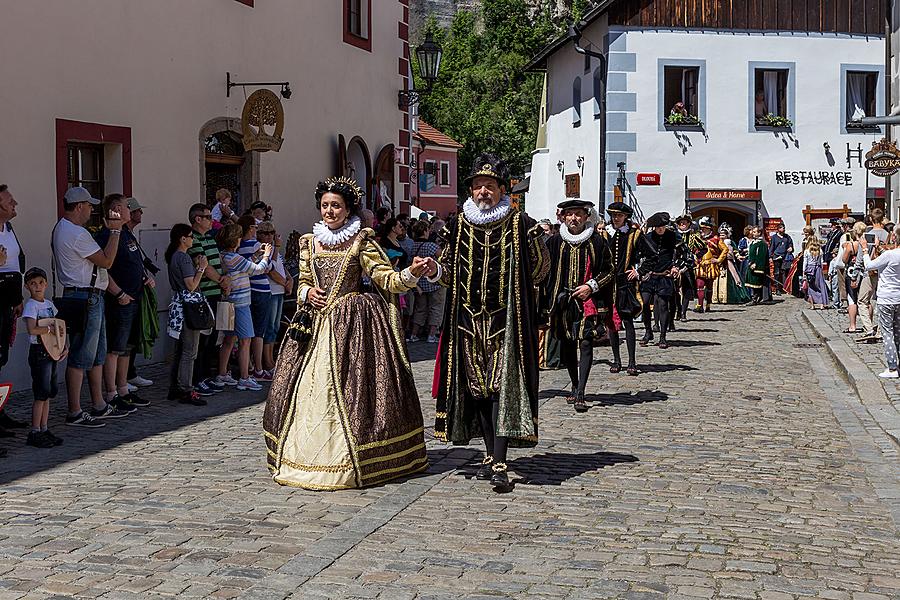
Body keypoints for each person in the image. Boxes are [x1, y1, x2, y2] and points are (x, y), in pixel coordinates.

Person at [263, 176, 430, 489]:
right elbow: (301, 282)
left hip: (351, 326)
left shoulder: (361, 241)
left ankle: (349, 460)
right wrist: (306, 294)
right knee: (304, 392)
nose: (329, 211)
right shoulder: (309, 243)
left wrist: (411, 273)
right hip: (314, 328)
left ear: (348, 208)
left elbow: (388, 280)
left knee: (352, 393)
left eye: (335, 206)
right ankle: (302, 457)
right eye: (325, 205)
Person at [429, 154, 549, 490]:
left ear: (502, 190)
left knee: (498, 389)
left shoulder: (519, 223)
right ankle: (488, 454)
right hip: (466, 322)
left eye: (490, 186)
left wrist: (536, 243)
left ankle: (499, 460)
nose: (484, 192)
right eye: (478, 186)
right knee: (478, 391)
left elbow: (541, 269)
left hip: (504, 325)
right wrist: (432, 270)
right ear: (470, 190)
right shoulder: (458, 225)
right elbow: (446, 273)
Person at [53, 187, 132, 427]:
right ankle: (75, 410)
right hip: (85, 297)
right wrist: (115, 232)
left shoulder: (62, 229)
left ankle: (98, 404)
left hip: (85, 295)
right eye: (88, 205)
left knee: (96, 355)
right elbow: (107, 260)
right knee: (81, 356)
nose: (91, 210)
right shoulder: (76, 233)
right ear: (78, 206)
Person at [540, 199, 613, 412]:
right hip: (562, 302)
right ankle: (574, 384)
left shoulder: (597, 242)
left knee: (587, 342)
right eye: (570, 214)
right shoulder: (554, 242)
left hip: (588, 302)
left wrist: (591, 286)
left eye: (578, 214)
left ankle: (581, 392)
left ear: (586, 216)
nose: (574, 218)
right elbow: (543, 271)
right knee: (568, 345)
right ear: (563, 216)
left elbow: (609, 271)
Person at [95, 194, 150, 411]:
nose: (132, 210)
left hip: (135, 297)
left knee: (127, 347)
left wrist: (145, 277)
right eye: (128, 207)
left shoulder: (127, 233)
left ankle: (123, 388)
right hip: (119, 300)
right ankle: (111, 393)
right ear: (117, 209)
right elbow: (103, 268)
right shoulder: (106, 235)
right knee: (115, 348)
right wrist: (118, 293)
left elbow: (134, 261)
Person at [216, 223, 273, 391]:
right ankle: (244, 377)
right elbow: (257, 270)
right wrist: (266, 256)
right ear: (235, 239)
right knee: (245, 340)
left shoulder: (226, 256)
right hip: (240, 303)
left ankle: (222, 374)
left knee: (228, 340)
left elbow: (245, 266)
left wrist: (256, 254)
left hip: (229, 302)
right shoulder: (234, 258)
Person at [187, 203, 230, 395]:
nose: (211, 220)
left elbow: (218, 262)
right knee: (202, 340)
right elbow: (203, 265)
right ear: (198, 219)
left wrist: (225, 278)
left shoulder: (209, 238)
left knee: (212, 338)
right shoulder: (194, 239)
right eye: (207, 217)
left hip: (215, 293)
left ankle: (206, 376)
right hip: (204, 295)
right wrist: (221, 280)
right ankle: (197, 379)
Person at [604, 202, 652, 375]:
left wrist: (639, 271)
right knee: (612, 323)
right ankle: (616, 360)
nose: (616, 218)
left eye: (619, 215)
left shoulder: (634, 234)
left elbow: (651, 255)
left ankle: (632, 361)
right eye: (613, 215)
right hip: (608, 284)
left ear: (625, 217)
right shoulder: (603, 233)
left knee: (628, 321)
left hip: (626, 284)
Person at [21, 267, 66, 448]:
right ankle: (35, 430)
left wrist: (63, 346)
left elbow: (59, 326)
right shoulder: (31, 306)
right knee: (40, 393)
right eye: (33, 284)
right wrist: (48, 330)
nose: (37, 286)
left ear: (46, 284)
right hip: (39, 351)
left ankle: (44, 428)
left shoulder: (48, 304)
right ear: (27, 287)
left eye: (40, 283)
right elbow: (32, 329)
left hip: (51, 350)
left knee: (48, 392)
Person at [165, 224, 209, 406]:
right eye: (191, 236)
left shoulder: (174, 257)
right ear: (182, 239)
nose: (193, 239)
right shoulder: (182, 258)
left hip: (179, 304)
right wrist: (201, 268)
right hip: (188, 306)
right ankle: (186, 388)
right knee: (190, 350)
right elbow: (191, 285)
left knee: (180, 349)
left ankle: (176, 386)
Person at [0, 184, 27, 437]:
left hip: (9, 299)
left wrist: (18, 297)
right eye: (9, 201)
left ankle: (0, 413)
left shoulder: (8, 228)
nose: (14, 203)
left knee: (1, 358)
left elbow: (16, 263)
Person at [123, 197, 155, 391]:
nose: (141, 214)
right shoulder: (121, 235)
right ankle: (123, 378)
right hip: (126, 294)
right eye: (138, 211)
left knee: (134, 337)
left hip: (138, 290)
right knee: (124, 341)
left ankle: (131, 373)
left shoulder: (130, 234)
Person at [236, 215, 272, 381]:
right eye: (255, 228)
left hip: (248, 289)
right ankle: (258, 368)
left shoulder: (238, 246)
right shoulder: (256, 245)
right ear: (250, 228)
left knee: (247, 333)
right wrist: (267, 255)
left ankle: (251, 366)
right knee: (259, 331)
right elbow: (268, 267)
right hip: (261, 289)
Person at [861, 232, 900, 377]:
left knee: (887, 333)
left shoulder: (890, 255)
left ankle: (892, 368)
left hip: (886, 298)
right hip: (898, 297)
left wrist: (865, 250)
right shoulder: (890, 254)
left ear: (895, 238)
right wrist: (879, 248)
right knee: (898, 332)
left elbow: (869, 266)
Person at [640, 213, 679, 348]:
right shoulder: (647, 238)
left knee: (663, 305)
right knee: (644, 303)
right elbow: (639, 254)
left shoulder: (672, 236)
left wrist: (675, 266)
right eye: (658, 227)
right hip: (649, 275)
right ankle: (648, 331)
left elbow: (681, 252)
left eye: (663, 226)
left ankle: (663, 336)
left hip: (664, 275)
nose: (661, 229)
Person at [258, 221, 292, 372]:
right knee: (269, 327)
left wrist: (290, 279)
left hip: (279, 291)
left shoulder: (274, 250)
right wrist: (285, 283)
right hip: (270, 290)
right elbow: (270, 269)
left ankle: (271, 358)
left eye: (271, 232)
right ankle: (267, 361)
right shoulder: (262, 250)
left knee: (276, 327)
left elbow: (281, 266)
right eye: (265, 233)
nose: (269, 236)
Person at [856, 208, 889, 342]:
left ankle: (869, 328)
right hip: (883, 272)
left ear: (870, 219)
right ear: (882, 219)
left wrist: (855, 274)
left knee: (862, 301)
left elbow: (860, 257)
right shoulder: (887, 234)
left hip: (869, 272)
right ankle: (880, 331)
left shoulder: (867, 235)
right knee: (880, 301)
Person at [409, 220, 444, 343]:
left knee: (420, 309)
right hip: (433, 282)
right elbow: (442, 257)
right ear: (425, 231)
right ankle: (431, 335)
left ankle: (414, 334)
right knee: (436, 308)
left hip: (419, 283)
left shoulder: (412, 246)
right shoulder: (431, 246)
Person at [695, 216, 728, 312]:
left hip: (711, 265)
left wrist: (718, 260)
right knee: (699, 285)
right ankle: (699, 305)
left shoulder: (716, 239)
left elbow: (725, 249)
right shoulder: (698, 238)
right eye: (702, 228)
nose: (703, 230)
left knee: (709, 287)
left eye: (705, 228)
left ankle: (708, 304)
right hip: (700, 265)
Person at [712, 223, 750, 305]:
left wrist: (738, 256)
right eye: (721, 235)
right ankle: (717, 297)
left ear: (727, 235)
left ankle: (733, 297)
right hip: (720, 263)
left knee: (734, 278)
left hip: (729, 262)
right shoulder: (717, 242)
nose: (722, 236)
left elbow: (736, 251)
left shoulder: (731, 242)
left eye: (723, 235)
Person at [673, 214, 702, 321]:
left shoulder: (693, 236)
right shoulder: (673, 235)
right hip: (674, 265)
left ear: (689, 223)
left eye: (685, 222)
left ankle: (683, 312)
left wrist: (696, 256)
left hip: (687, 265)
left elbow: (704, 248)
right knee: (674, 290)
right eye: (681, 223)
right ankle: (678, 309)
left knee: (687, 289)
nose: (683, 224)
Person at [842, 222, 866, 333]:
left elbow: (844, 259)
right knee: (866, 300)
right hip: (864, 273)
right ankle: (868, 324)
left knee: (852, 299)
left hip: (852, 273)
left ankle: (852, 325)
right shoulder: (866, 244)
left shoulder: (851, 245)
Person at [802, 238, 829, 309]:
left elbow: (805, 263)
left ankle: (812, 305)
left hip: (810, 270)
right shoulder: (820, 251)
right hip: (818, 269)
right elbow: (822, 261)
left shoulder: (807, 251)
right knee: (820, 286)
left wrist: (804, 272)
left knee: (811, 287)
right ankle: (822, 304)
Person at [768, 223, 794, 294]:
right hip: (777, 257)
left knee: (784, 272)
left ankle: (784, 288)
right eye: (782, 228)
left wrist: (791, 247)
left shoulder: (787, 237)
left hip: (785, 257)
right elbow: (771, 247)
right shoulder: (774, 237)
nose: (783, 229)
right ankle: (777, 289)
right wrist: (770, 256)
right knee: (777, 273)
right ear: (778, 229)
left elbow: (790, 243)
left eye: (784, 228)